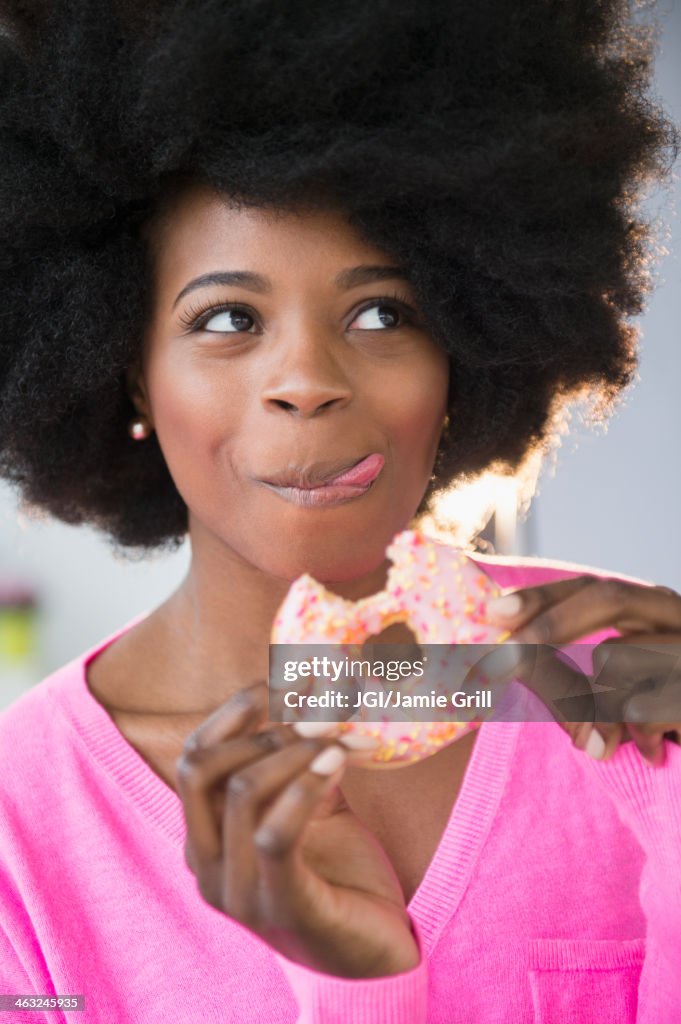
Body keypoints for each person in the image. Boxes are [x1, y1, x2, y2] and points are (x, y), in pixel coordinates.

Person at [0, 1, 679, 1021]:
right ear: (126, 373)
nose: (307, 380)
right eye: (228, 318)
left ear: (462, 352)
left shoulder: (626, 688)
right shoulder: (19, 830)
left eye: (382, 313)